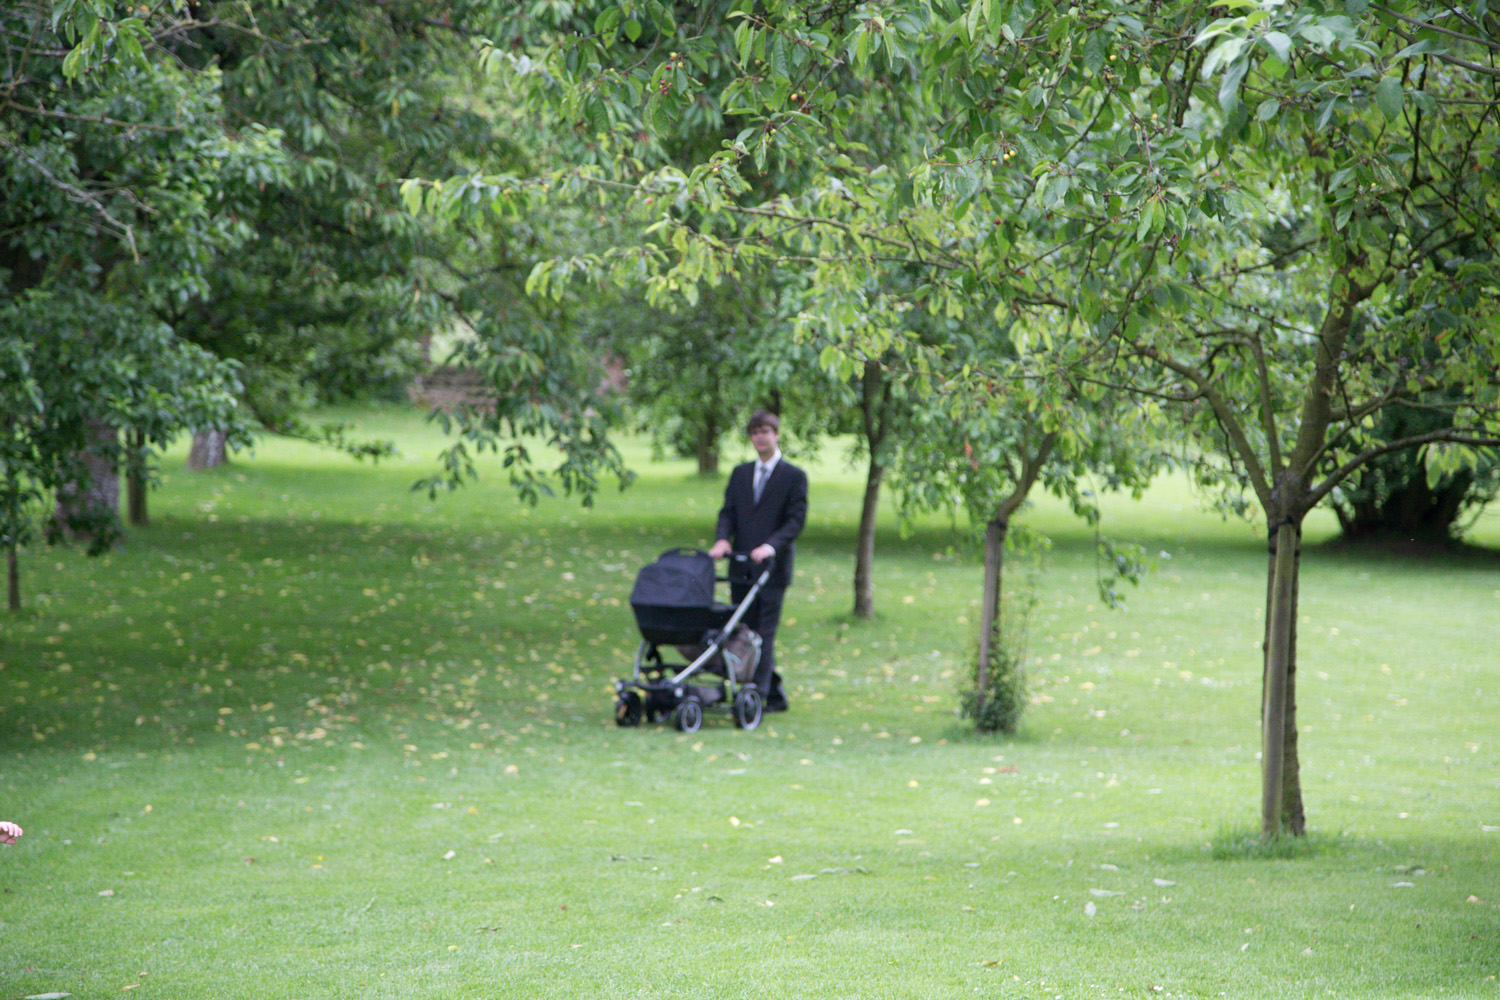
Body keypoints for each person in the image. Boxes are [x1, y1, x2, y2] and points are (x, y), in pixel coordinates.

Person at [708, 411, 808, 712]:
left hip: (772, 570)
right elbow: (728, 513)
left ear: (776, 434)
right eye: (754, 433)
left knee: (764, 634)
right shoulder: (740, 474)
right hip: (741, 567)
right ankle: (774, 694)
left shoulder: (793, 477)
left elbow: (795, 521)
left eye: (765, 431)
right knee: (744, 633)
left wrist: (770, 546)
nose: (759, 438)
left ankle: (759, 695)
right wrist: (723, 539)